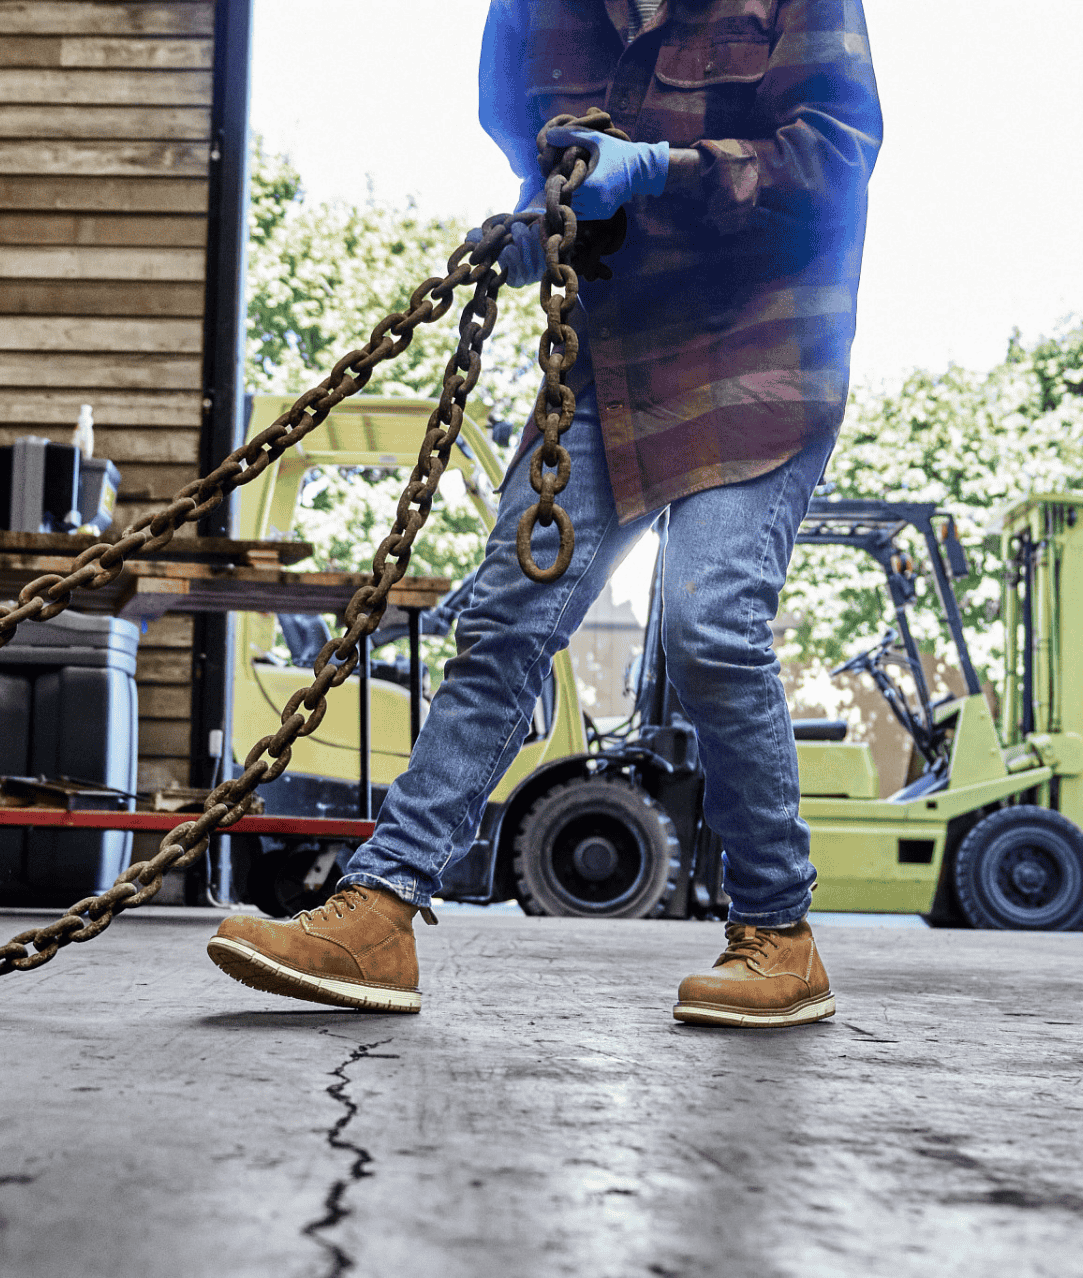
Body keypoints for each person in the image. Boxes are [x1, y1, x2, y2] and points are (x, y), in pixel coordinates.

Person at [206, 0, 882, 1026]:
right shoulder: (530, 13)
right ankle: (381, 912)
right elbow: (540, 153)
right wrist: (539, 219)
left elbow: (835, 159)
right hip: (613, 363)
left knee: (708, 625)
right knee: (502, 626)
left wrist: (660, 169)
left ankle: (778, 935)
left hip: (762, 352)